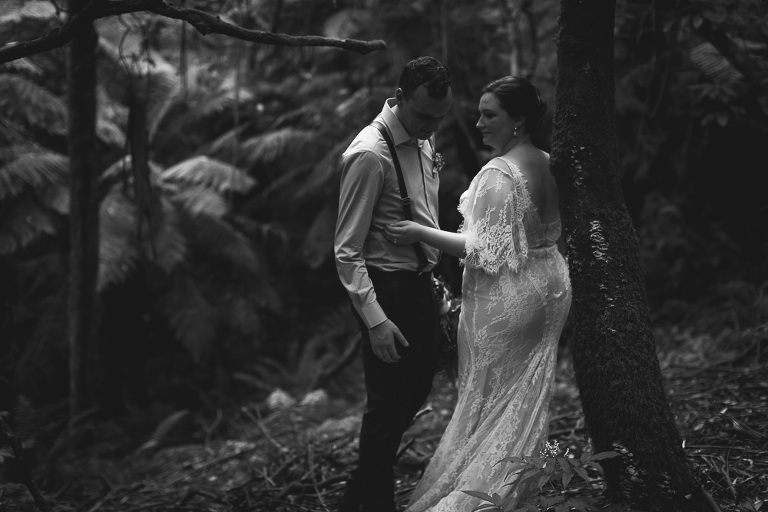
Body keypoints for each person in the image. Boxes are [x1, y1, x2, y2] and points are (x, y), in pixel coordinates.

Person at [384, 76, 572, 511]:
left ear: (519, 120)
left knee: (485, 397)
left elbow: (486, 251)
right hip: (551, 286)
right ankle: (519, 477)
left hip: (508, 300)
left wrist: (419, 231)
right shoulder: (549, 162)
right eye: (480, 114)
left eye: (490, 115)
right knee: (526, 391)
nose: (479, 124)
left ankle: (478, 494)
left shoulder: (498, 172)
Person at [334, 56, 453, 512]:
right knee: (386, 406)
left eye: (439, 118)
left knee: (419, 385)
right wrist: (376, 320)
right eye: (424, 116)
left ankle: (358, 491)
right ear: (400, 97)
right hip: (386, 289)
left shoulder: (424, 133)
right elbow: (347, 250)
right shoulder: (369, 154)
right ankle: (374, 502)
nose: (430, 127)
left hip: (420, 282)